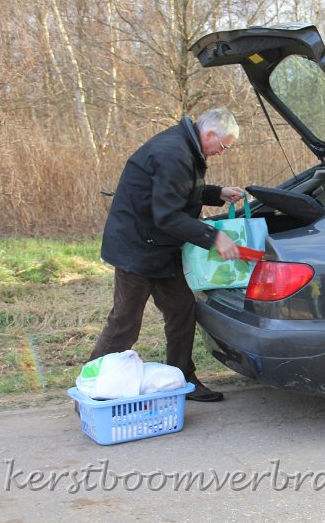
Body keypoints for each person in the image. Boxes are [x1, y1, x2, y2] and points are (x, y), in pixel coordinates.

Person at [88, 108, 243, 402]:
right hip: (137, 249)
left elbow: (179, 190)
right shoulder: (174, 153)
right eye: (223, 146)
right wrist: (214, 237)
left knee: (182, 309)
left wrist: (216, 193)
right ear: (209, 134)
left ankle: (181, 379)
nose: (221, 153)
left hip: (160, 247)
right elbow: (168, 215)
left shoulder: (185, 148)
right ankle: (93, 388)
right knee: (124, 323)